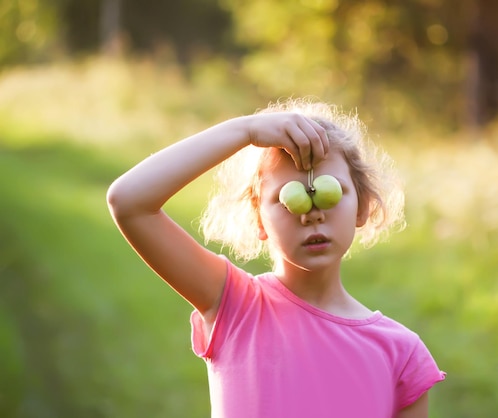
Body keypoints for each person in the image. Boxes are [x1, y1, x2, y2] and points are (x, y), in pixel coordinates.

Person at [107, 98, 446, 418]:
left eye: (331, 193)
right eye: (290, 198)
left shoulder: (402, 355)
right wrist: (246, 131)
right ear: (258, 219)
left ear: (363, 205)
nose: (312, 215)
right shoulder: (234, 306)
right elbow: (129, 201)